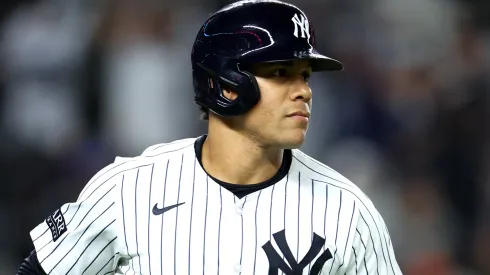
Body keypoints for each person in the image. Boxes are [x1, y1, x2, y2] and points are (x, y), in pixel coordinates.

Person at [17, 0, 403, 274]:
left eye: (305, 74)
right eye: (281, 73)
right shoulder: (127, 190)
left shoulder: (348, 210)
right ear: (226, 85)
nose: (303, 90)